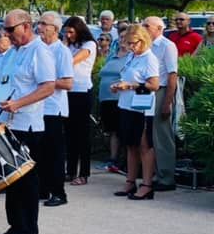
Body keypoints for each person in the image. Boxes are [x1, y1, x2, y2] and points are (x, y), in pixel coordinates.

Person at [0, 9, 54, 234]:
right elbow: (0, 82)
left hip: (27, 124)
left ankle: (28, 231)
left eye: (11, 29)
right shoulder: (13, 52)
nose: (7, 34)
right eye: (5, 30)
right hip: (4, 122)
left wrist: (19, 103)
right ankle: (14, 225)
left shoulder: (40, 52)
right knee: (10, 177)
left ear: (26, 26)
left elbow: (48, 86)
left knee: (26, 180)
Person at [111, 24, 160, 201]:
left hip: (142, 107)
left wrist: (131, 85)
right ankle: (130, 180)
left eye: (133, 43)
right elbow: (128, 77)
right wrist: (119, 85)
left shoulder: (150, 58)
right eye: (128, 43)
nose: (131, 46)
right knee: (130, 144)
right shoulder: (132, 56)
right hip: (126, 104)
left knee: (144, 145)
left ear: (143, 40)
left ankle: (147, 184)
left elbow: (154, 85)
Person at [35, 12, 73, 207]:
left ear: (55, 29)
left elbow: (68, 83)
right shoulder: (37, 48)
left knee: (54, 153)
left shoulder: (62, 51)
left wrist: (46, 82)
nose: (39, 27)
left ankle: (59, 192)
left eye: (44, 24)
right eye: (39, 23)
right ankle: (42, 188)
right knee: (38, 152)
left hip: (53, 108)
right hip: (37, 107)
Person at [143, 17, 179, 192]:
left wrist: (167, 102)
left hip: (161, 91)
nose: (143, 28)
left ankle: (166, 177)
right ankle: (154, 174)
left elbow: (172, 75)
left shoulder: (167, 46)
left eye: (146, 26)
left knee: (162, 135)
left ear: (159, 28)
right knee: (149, 135)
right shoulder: (146, 45)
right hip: (147, 92)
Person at [63, 16, 97, 186]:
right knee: (69, 134)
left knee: (82, 134)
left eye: (71, 32)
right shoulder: (68, 44)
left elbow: (70, 62)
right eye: (66, 32)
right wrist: (64, 42)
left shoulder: (89, 45)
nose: (68, 35)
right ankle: (70, 170)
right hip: (68, 91)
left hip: (82, 91)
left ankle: (83, 172)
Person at [98, 39, 129, 173]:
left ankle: (124, 161)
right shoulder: (112, 55)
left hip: (119, 98)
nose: (123, 40)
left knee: (121, 129)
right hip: (106, 98)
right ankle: (112, 159)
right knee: (112, 130)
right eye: (121, 37)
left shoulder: (131, 57)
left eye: (126, 37)